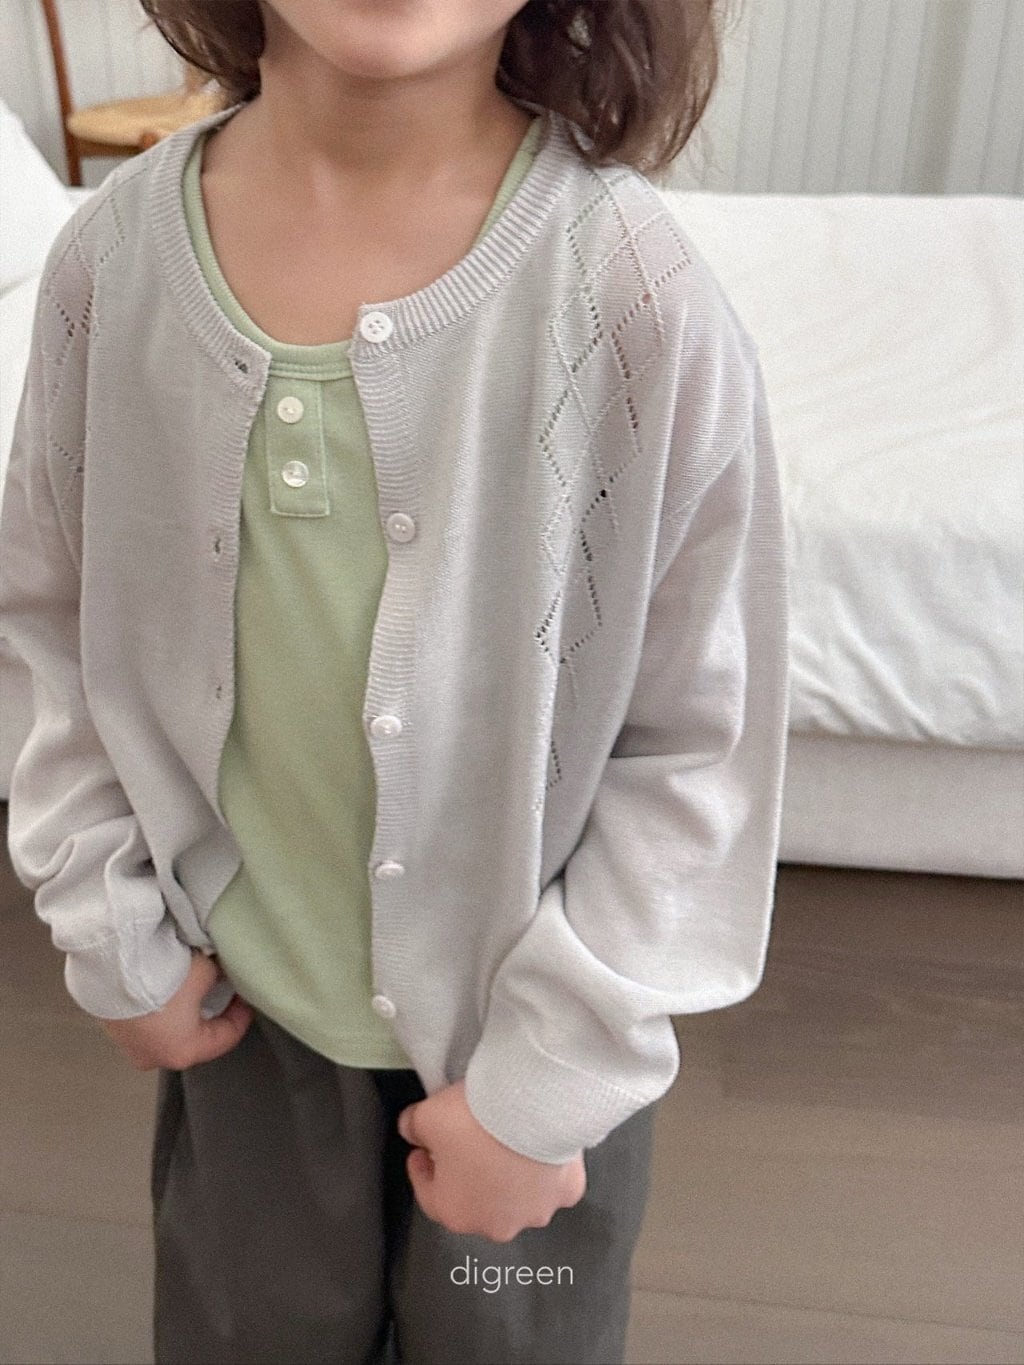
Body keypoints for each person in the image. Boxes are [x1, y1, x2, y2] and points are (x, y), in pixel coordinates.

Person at [0, 0, 789, 1361]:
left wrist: (547, 1083)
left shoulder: (639, 298)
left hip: (528, 1052)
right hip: (242, 1020)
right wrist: (103, 916)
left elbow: (695, 752)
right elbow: (53, 626)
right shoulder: (108, 268)